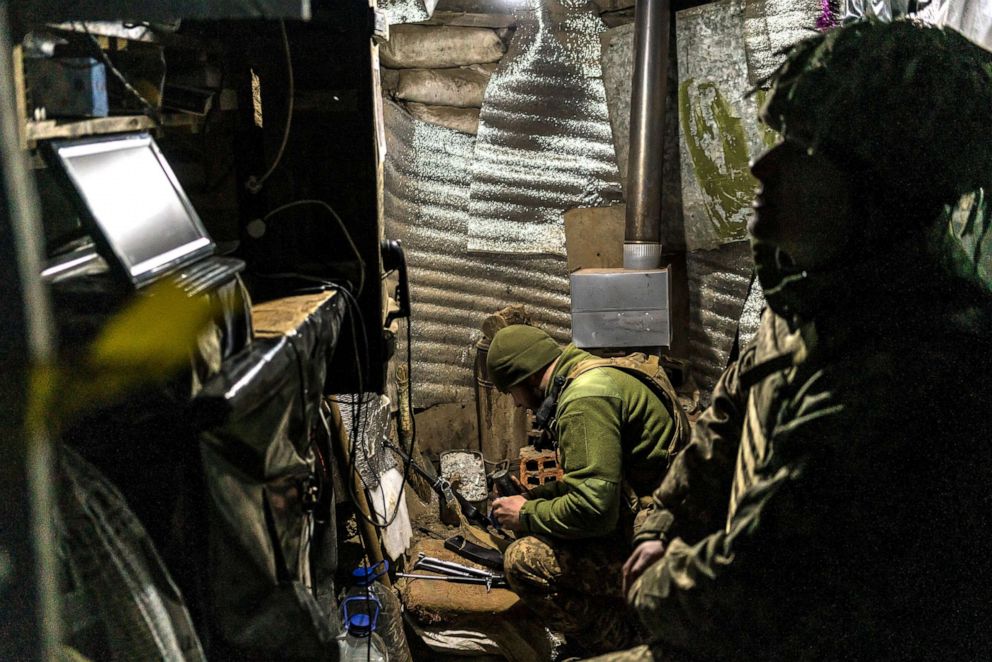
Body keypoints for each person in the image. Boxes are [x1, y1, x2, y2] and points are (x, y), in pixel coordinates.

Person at [599, 19, 992, 662]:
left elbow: (755, 590)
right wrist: (661, 525)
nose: (762, 164)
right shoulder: (803, 306)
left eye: (805, 146)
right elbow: (722, 426)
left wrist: (651, 585)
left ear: (880, 191)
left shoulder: (916, 369)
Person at [485, 324, 688, 655]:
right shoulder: (593, 372)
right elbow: (596, 482)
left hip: (660, 549)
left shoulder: (583, 401)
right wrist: (534, 499)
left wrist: (525, 514)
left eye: (512, 393)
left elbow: (594, 512)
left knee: (523, 561)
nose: (519, 405)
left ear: (525, 377)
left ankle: (625, 643)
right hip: (667, 524)